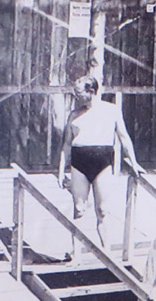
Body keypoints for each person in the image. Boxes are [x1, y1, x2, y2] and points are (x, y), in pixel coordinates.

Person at [57, 75, 146, 259]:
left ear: (91, 91)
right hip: (79, 162)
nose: (76, 96)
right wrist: (60, 171)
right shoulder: (74, 114)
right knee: (79, 210)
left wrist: (134, 162)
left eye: (79, 93)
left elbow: (124, 138)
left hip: (102, 162)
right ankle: (76, 254)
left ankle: (107, 253)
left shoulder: (111, 111)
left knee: (103, 211)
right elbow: (66, 145)